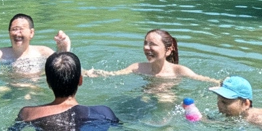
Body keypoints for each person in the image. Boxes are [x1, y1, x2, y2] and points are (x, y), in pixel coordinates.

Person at [85, 29, 218, 83]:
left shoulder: (178, 70)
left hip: (168, 104)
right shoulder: (138, 67)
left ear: (168, 50)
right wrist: (89, 73)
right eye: (145, 43)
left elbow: (202, 79)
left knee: (164, 98)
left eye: (152, 44)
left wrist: (220, 82)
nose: (146, 48)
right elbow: (113, 74)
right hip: (146, 100)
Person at [0, 13, 70, 67]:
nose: (17, 33)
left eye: (21, 30)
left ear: (31, 33)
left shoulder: (44, 53)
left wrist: (64, 50)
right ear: (9, 33)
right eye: (14, 30)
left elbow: (64, 70)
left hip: (36, 89)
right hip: (8, 90)